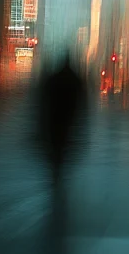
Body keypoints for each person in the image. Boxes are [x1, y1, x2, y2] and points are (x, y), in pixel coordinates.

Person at [38, 52, 87, 186]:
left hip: (54, 118)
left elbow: (43, 99)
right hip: (68, 120)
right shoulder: (75, 79)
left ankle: (56, 170)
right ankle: (59, 170)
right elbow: (82, 102)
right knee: (63, 145)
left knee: (56, 145)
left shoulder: (54, 78)